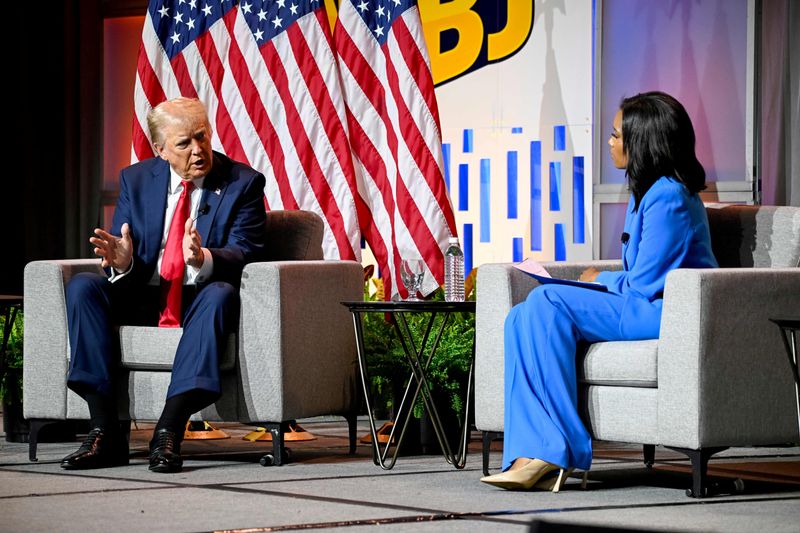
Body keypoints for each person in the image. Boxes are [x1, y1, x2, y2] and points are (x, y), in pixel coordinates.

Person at [481, 91, 719, 491]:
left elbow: (644, 283)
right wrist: (599, 279)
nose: (609, 143)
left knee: (547, 298)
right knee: (521, 315)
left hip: (663, 311)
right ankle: (530, 451)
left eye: (615, 135)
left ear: (642, 141)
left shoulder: (670, 198)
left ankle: (559, 451)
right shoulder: (647, 190)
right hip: (639, 304)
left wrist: (597, 279)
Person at [61, 97, 267, 473]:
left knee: (220, 294)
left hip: (199, 296)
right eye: (184, 143)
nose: (199, 150)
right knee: (82, 288)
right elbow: (125, 247)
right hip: (143, 293)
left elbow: (247, 251)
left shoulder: (243, 184)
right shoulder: (136, 180)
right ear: (160, 149)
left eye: (202, 137)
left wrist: (203, 259)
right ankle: (104, 431)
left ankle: (168, 429)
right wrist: (123, 261)